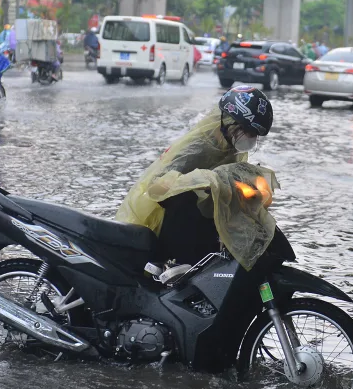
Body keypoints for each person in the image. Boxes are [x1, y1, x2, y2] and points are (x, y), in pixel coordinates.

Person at [116, 86, 276, 269]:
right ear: (230, 123)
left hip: (201, 222)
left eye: (255, 136)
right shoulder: (199, 147)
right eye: (249, 132)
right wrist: (200, 181)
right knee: (187, 201)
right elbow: (157, 185)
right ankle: (175, 266)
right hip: (167, 222)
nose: (251, 139)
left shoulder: (229, 148)